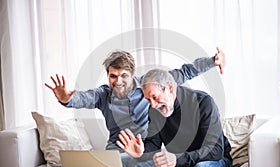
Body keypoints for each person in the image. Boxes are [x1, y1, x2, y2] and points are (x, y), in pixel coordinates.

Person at [45, 48, 226, 152]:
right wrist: (67, 99)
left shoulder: (150, 85)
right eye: (113, 76)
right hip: (117, 151)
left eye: (123, 75)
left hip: (146, 149)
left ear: (132, 74)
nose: (118, 81)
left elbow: (185, 71)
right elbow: (84, 98)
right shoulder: (103, 95)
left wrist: (213, 61)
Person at [117, 68, 232, 167]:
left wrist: (178, 159)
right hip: (178, 162)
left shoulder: (203, 102)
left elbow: (215, 150)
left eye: (154, 97)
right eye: (148, 100)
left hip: (212, 160)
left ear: (170, 88)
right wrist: (141, 152)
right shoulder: (154, 111)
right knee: (122, 163)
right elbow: (153, 145)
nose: (152, 104)